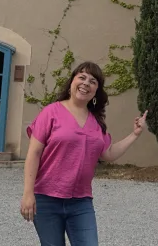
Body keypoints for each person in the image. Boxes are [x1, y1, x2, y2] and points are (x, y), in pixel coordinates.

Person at [21, 61, 148, 246]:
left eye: (93, 81)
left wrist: (134, 134)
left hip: (81, 202)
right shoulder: (51, 112)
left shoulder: (96, 122)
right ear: (72, 82)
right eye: (82, 77)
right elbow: (34, 153)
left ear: (96, 91)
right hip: (46, 198)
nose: (86, 83)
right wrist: (28, 193)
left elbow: (108, 154)